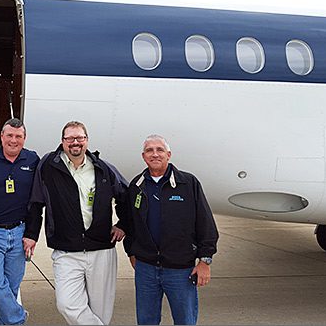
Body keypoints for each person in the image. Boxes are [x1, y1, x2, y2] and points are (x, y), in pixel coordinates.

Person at [23, 121, 129, 325]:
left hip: (101, 249)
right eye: (70, 138)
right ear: (62, 142)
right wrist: (31, 234)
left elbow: (126, 195)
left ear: (86, 141)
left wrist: (124, 224)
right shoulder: (48, 166)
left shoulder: (103, 168)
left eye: (80, 138)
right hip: (66, 249)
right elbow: (36, 202)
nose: (75, 142)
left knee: (100, 311)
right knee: (67, 304)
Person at [123, 134, 219, 325]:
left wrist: (205, 260)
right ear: (143, 156)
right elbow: (130, 222)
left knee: (185, 320)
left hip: (180, 269)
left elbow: (205, 223)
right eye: (149, 150)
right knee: (146, 321)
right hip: (146, 269)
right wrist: (131, 251)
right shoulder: (136, 185)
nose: (155, 154)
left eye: (159, 150)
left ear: (169, 154)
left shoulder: (188, 183)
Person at [0, 118, 39, 325]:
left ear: (24, 138)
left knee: (10, 288)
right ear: (1, 137)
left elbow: (37, 201)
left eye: (18, 136)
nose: (13, 140)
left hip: (20, 233)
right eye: (9, 135)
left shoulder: (32, 160)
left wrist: (32, 235)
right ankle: (18, 317)